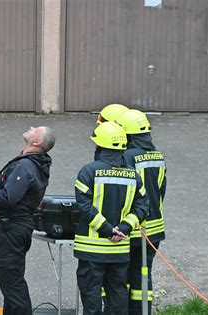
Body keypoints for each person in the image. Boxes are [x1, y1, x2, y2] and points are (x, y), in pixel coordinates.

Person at [0, 126, 55, 315]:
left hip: (10, 229)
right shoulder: (33, 163)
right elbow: (15, 189)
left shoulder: (25, 166)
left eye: (36, 129)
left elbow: (8, 198)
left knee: (13, 285)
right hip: (16, 227)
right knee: (12, 282)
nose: (31, 127)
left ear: (37, 142)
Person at [74, 121, 149, 315]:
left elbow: (83, 205)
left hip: (91, 250)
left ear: (100, 145)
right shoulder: (133, 175)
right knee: (117, 296)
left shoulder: (88, 171)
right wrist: (124, 228)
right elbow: (143, 205)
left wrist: (107, 229)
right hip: (120, 249)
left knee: (91, 297)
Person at [116, 110, 167, 315]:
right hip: (154, 230)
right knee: (143, 276)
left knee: (120, 277)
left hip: (133, 228)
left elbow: (123, 192)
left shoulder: (126, 156)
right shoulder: (157, 156)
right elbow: (161, 190)